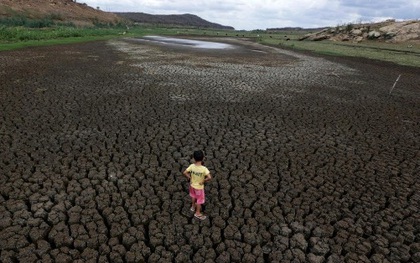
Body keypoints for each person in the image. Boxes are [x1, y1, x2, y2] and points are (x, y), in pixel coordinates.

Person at [183, 150, 212, 220]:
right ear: (203, 158)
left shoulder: (192, 166)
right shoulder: (204, 169)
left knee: (193, 196)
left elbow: (184, 172)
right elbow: (209, 177)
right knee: (199, 200)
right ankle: (197, 213)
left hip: (192, 185)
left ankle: (193, 207)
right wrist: (203, 180)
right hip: (199, 187)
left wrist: (190, 177)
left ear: (193, 158)